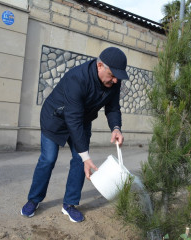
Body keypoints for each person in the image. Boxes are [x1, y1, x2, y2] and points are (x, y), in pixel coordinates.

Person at [21, 47, 128, 222]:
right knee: (48, 159)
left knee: (79, 160)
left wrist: (116, 127)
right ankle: (34, 199)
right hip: (55, 119)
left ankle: (69, 204)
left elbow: (113, 108)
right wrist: (85, 155)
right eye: (112, 75)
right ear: (100, 65)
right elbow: (73, 118)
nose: (115, 80)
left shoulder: (113, 82)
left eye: (118, 76)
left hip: (81, 120)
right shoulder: (77, 78)